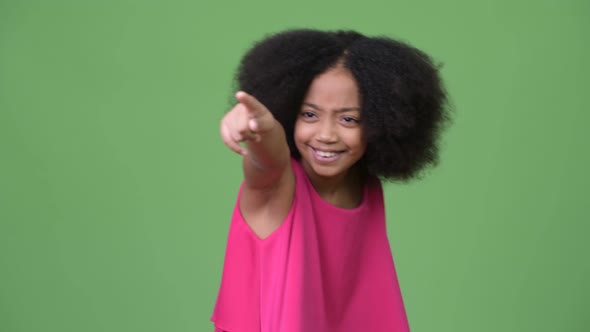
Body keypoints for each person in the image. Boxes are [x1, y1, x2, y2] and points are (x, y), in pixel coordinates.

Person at [211, 29, 449, 332]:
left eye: (348, 119)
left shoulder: (364, 183)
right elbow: (268, 160)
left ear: (380, 123)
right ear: (286, 111)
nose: (326, 135)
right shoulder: (278, 184)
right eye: (309, 115)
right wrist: (262, 129)